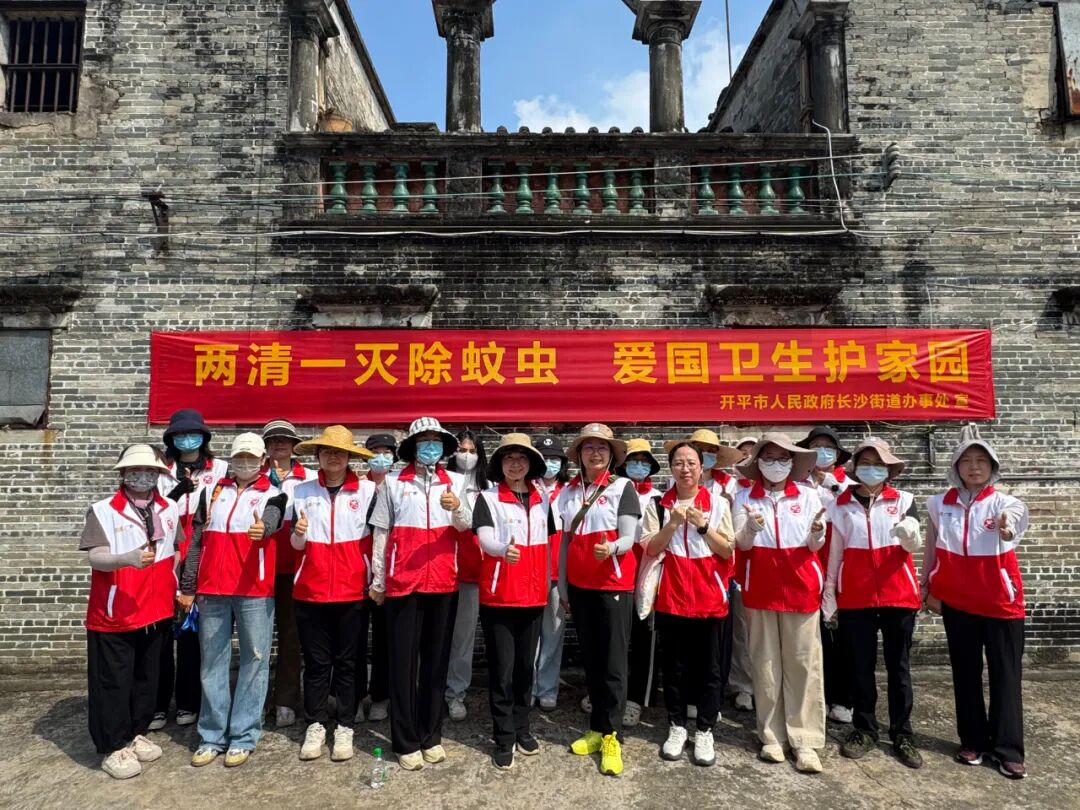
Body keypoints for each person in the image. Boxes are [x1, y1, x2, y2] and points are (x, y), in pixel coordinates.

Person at [923, 425, 1030, 779]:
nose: (973, 466)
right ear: (956, 467)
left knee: (1006, 677)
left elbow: (1015, 521)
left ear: (992, 466)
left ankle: (1008, 750)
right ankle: (972, 741)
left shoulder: (1004, 502)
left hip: (1001, 605)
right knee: (965, 674)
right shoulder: (938, 505)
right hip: (958, 605)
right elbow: (931, 549)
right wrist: (926, 587)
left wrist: (1006, 527)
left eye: (981, 460)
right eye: (966, 460)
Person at [368, 417, 473, 771]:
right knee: (402, 663)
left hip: (443, 581)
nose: (430, 446)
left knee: (435, 662)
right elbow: (381, 533)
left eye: (436, 441)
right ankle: (405, 740)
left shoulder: (456, 481)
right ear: (413, 447)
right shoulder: (392, 483)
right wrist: (379, 581)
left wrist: (456, 507)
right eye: (424, 440)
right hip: (404, 582)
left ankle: (431, 735)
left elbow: (466, 525)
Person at [178, 433, 286, 769]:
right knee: (212, 661)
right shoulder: (212, 491)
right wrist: (188, 585)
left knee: (255, 660)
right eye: (240, 457)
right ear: (231, 459)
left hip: (254, 589)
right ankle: (212, 735)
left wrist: (262, 530)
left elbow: (273, 520)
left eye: (251, 458)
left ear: (262, 461)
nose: (245, 463)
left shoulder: (274, 493)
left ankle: (243, 735)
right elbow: (196, 540)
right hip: (212, 590)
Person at [822, 437, 924, 769]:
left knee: (899, 668)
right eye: (865, 463)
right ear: (855, 468)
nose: (871, 469)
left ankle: (902, 732)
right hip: (856, 596)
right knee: (860, 667)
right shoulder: (840, 505)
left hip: (898, 595)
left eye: (878, 464)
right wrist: (830, 594)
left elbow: (913, 543)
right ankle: (864, 728)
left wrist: (909, 533)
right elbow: (835, 553)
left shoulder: (905, 500)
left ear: (889, 470)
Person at [82, 445, 181, 779]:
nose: (143, 477)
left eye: (150, 471)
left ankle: (136, 731)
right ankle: (112, 745)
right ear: (123, 474)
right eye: (135, 471)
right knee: (113, 681)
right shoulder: (103, 510)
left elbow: (175, 548)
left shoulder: (169, 507)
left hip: (156, 609)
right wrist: (126, 559)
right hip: (116, 610)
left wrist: (172, 582)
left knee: (147, 678)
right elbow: (96, 556)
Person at [733, 433, 827, 774]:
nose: (776, 464)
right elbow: (740, 543)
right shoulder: (743, 496)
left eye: (782, 458)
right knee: (765, 663)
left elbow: (816, 544)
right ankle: (771, 735)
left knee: (803, 663)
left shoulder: (809, 494)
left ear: (792, 462)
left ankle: (805, 739)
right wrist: (751, 528)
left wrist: (817, 532)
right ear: (758, 463)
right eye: (769, 458)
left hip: (802, 588)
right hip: (759, 589)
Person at [642, 441, 735, 767]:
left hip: (709, 597)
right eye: (679, 463)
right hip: (672, 597)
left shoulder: (719, 503)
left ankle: (705, 730)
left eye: (691, 463)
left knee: (709, 669)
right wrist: (672, 524)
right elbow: (650, 548)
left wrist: (702, 525)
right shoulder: (658, 504)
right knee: (675, 667)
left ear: (702, 467)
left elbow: (727, 549)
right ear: (671, 468)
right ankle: (677, 726)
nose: (685, 469)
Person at [289, 426, 377, 763]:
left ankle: (345, 725)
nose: (333, 457)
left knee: (348, 663)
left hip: (353, 591)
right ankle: (314, 724)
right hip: (310, 591)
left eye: (339, 452)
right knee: (316, 664)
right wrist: (299, 534)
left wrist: (375, 579)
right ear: (318, 456)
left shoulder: (367, 490)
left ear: (350, 456)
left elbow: (378, 538)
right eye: (327, 451)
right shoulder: (301, 491)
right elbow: (295, 544)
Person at [557, 423, 640, 777]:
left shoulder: (623, 487)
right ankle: (596, 727)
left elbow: (629, 537)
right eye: (588, 447)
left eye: (602, 448)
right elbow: (565, 542)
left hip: (613, 585)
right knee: (591, 660)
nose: (595, 453)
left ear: (611, 454)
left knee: (613, 664)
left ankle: (612, 735)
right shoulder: (568, 492)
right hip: (580, 587)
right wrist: (563, 587)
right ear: (579, 454)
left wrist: (613, 549)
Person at [473, 434, 554, 769]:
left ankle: (523, 728)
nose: (515, 464)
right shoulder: (488, 498)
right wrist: (502, 549)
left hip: (533, 597)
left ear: (531, 464)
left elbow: (548, 541)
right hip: (500, 597)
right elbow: (484, 538)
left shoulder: (542, 498)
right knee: (503, 671)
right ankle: (504, 736)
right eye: (509, 458)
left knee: (524, 669)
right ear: (500, 464)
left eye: (521, 458)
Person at [151, 409, 228, 731]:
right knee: (159, 633)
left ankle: (188, 702)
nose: (186, 440)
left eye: (192, 434)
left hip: (200, 556)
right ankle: (156, 705)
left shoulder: (220, 469)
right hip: (164, 555)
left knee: (192, 633)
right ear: (171, 439)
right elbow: (152, 510)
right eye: (180, 435)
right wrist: (177, 492)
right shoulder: (160, 470)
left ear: (203, 437)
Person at [797, 426, 855, 725]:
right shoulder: (797, 484)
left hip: (841, 564)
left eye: (827, 446)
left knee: (841, 636)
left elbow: (855, 511)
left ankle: (842, 697)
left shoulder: (849, 485)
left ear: (837, 454)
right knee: (810, 637)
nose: (821, 451)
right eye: (815, 446)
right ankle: (813, 697)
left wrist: (832, 486)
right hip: (806, 564)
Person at [261, 419, 312, 729]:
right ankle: (254, 702)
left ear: (294, 445)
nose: (279, 444)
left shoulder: (310, 479)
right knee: (256, 639)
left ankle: (285, 701)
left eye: (285, 440)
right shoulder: (251, 474)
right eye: (273, 440)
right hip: (256, 568)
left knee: (290, 637)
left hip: (292, 568)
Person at [618, 438, 665, 727]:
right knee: (615, 636)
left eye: (644, 462)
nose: (639, 466)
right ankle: (612, 691)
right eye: (633, 461)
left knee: (644, 637)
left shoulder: (659, 499)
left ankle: (637, 697)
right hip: (618, 568)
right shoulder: (612, 491)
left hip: (647, 571)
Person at [445, 429, 489, 722]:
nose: (467, 455)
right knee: (435, 636)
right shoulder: (442, 482)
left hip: (473, 570)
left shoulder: (489, 486)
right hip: (440, 567)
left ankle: (456, 693)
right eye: (462, 450)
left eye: (472, 451)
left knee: (463, 639)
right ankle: (430, 688)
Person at [359, 432, 398, 723]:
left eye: (387, 452)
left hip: (390, 573)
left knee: (386, 638)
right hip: (358, 572)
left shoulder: (399, 487)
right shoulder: (359, 487)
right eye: (376, 452)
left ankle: (381, 695)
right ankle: (355, 696)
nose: (381, 458)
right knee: (356, 639)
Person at [532, 434, 570, 711]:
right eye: (544, 458)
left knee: (553, 634)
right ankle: (527, 686)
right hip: (531, 571)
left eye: (554, 458)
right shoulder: (526, 488)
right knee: (530, 634)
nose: (549, 463)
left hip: (558, 571)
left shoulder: (569, 492)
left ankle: (547, 688)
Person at [726, 436, 757, 713]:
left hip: (773, 571)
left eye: (752, 453)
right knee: (742, 633)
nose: (746, 458)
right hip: (740, 572)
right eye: (742, 454)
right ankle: (743, 686)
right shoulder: (731, 490)